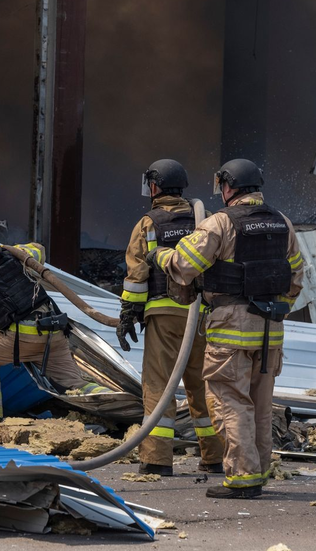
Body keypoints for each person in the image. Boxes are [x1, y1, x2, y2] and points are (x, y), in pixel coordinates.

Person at [149, 159, 304, 499]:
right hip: (271, 332)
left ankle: (243, 477)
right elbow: (296, 277)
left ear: (229, 186)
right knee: (260, 406)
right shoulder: (283, 223)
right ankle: (259, 471)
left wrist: (159, 256)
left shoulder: (220, 223)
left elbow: (185, 265)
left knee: (229, 403)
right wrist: (275, 310)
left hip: (231, 329)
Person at [0, 227, 109, 436]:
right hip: (54, 335)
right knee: (76, 384)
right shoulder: (18, 255)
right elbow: (39, 249)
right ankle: (118, 405)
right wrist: (10, 249)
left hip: (22, 340)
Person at [119, 159, 224, 476]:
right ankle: (216, 457)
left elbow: (137, 276)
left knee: (159, 386)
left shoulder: (148, 224)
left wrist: (128, 314)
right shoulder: (205, 221)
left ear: (153, 186)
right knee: (203, 388)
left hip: (163, 318)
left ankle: (156, 459)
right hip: (201, 318)